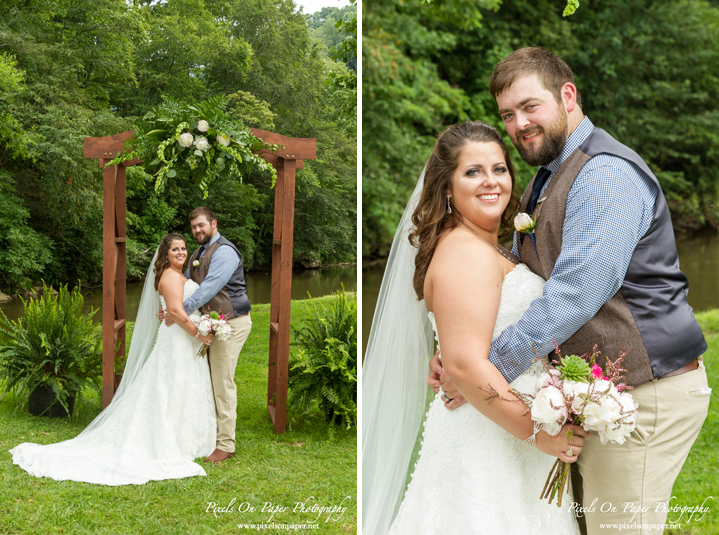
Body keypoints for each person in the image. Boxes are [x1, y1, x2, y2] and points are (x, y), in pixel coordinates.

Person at [431, 48, 711, 534]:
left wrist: (483, 367)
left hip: (646, 392)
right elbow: (521, 272)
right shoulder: (544, 178)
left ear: (568, 95)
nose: (519, 124)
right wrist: (459, 350)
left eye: (529, 106)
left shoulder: (604, 172)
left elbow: (577, 291)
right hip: (596, 395)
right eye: (507, 114)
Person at [363, 121, 584, 534]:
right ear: (447, 187)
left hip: (503, 432)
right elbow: (464, 367)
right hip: (487, 444)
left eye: (499, 169)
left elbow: (468, 342)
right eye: (473, 171)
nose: (491, 182)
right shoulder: (466, 253)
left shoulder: (475, 243)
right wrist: (539, 434)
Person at [10, 234, 217, 485]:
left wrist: (183, 320)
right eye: (175, 249)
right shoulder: (172, 276)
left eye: (184, 248)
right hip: (177, 340)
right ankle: (167, 439)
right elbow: (174, 311)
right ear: (165, 254)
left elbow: (172, 307)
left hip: (179, 339)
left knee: (177, 384)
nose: (181, 253)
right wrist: (199, 335)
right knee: (170, 385)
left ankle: (184, 437)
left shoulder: (176, 276)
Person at [162, 207, 252, 464]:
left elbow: (211, 285)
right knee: (209, 380)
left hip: (232, 323)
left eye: (201, 225)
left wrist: (181, 311)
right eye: (193, 227)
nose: (197, 230)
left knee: (222, 382)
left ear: (213, 223)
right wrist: (170, 306)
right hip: (211, 323)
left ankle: (226, 445)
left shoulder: (225, 251)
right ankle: (212, 434)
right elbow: (186, 284)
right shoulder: (197, 253)